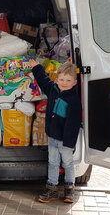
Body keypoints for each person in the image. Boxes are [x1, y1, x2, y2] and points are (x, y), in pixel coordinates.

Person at [29, 59, 83, 203]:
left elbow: (73, 124)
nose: (64, 82)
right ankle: (51, 188)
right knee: (52, 162)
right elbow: (43, 79)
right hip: (53, 137)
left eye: (68, 80)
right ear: (57, 79)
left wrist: (68, 142)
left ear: (74, 82)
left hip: (66, 141)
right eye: (61, 79)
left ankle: (69, 188)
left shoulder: (74, 100)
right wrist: (36, 67)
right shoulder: (53, 89)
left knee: (67, 163)